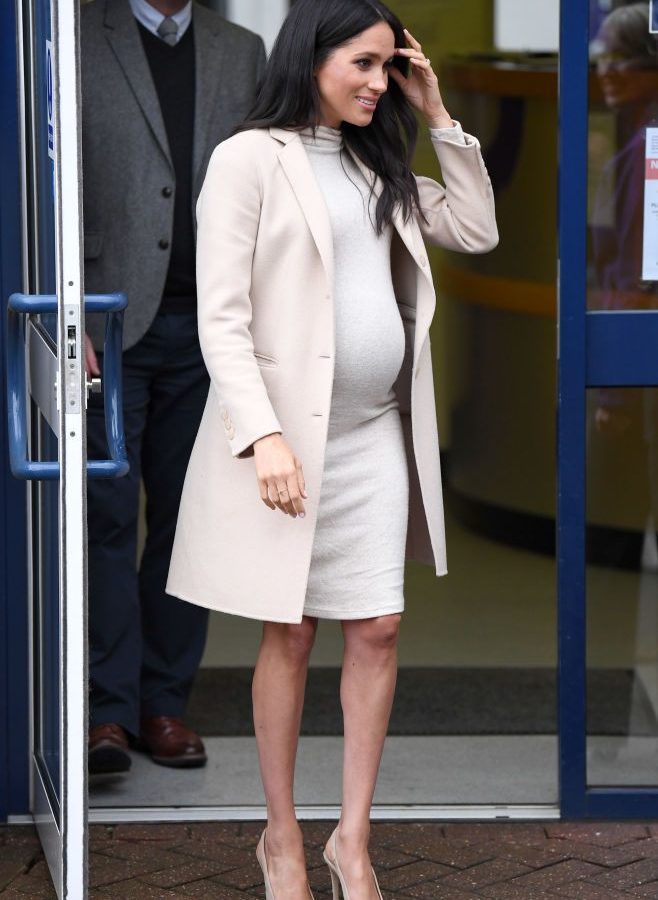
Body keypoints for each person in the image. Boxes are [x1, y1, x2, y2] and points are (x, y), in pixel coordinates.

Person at [167, 0, 497, 896]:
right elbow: (222, 318)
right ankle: (281, 837)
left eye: (390, 65)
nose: (378, 82)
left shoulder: (375, 158)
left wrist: (437, 114)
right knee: (290, 630)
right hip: (288, 445)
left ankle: (352, 840)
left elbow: (475, 229)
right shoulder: (248, 159)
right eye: (363, 63)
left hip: (372, 432)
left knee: (379, 627)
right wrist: (263, 434)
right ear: (310, 57)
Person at [81, 0, 266, 774]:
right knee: (104, 517)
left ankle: (164, 704)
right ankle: (106, 710)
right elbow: (46, 178)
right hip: (105, 323)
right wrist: (68, 311)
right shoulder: (77, 38)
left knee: (189, 524)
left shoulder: (242, 51)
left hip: (211, 330)